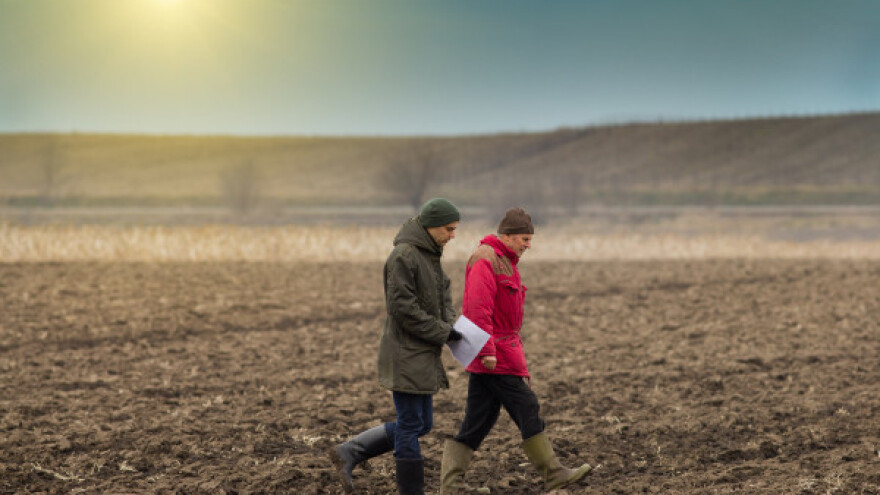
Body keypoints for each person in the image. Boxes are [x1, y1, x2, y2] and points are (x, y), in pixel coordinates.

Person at [440, 208, 593, 494]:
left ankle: (451, 486)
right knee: (527, 405)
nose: (528, 245)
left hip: (499, 352)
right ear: (508, 236)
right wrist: (487, 351)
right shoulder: (486, 259)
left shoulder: (505, 261)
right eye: (524, 239)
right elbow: (477, 309)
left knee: (478, 420)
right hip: (493, 354)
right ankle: (554, 474)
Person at [330, 198, 464, 495]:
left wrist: (449, 326)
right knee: (410, 424)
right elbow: (402, 309)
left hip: (422, 352)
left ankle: (349, 451)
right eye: (449, 229)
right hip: (405, 353)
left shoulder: (430, 255)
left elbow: (444, 298)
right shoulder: (404, 256)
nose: (453, 235)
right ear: (431, 226)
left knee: (422, 424)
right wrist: (443, 332)